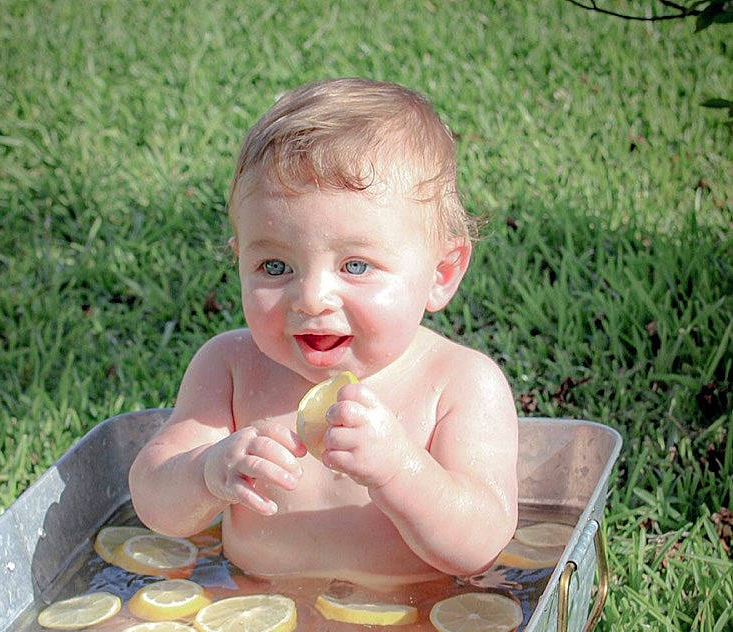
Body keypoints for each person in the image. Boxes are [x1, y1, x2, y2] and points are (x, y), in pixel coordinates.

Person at [129, 78, 519, 586]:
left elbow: (481, 543)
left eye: (356, 265)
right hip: (252, 607)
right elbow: (154, 500)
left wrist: (400, 469)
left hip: (421, 613)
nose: (311, 298)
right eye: (274, 267)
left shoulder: (459, 383)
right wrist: (206, 472)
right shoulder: (229, 368)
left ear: (441, 274)